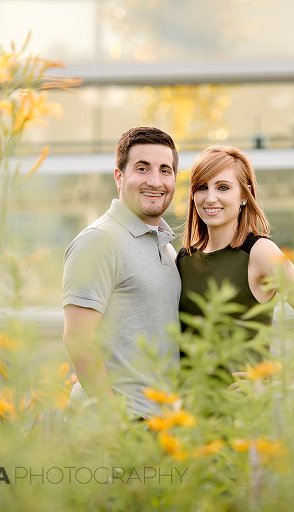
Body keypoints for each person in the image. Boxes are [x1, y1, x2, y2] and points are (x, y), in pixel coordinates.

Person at [177, 145, 294, 371]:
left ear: (244, 194)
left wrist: (278, 382)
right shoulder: (183, 259)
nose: (210, 198)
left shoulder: (260, 252)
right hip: (189, 404)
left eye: (223, 187)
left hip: (244, 404)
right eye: (202, 187)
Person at [62, 127, 180, 423]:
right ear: (119, 176)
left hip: (156, 426)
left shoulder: (166, 247)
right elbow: (78, 338)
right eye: (143, 168)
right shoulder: (99, 240)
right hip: (117, 429)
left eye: (165, 170)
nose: (155, 181)